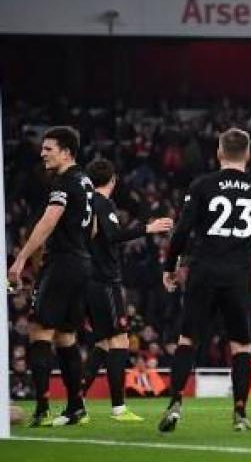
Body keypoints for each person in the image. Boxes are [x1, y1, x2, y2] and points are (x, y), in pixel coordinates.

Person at [157, 128, 251, 433]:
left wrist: (170, 265)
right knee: (241, 346)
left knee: (187, 340)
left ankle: (175, 403)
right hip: (238, 274)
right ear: (249, 154)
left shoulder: (202, 185)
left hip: (203, 270)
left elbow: (182, 230)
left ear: (219, 153)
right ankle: (240, 413)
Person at [7, 126, 95, 427]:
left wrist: (20, 259)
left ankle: (42, 408)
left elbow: (48, 221)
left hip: (61, 264)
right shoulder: (85, 181)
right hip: (82, 263)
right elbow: (92, 226)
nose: (43, 153)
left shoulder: (64, 182)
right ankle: (76, 407)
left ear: (66, 152)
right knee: (67, 337)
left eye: (49, 148)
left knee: (39, 333)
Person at [80, 157, 173, 421]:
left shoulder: (84, 205)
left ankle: (76, 402)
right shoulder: (103, 203)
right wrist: (148, 228)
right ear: (112, 181)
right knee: (119, 340)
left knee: (102, 342)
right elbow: (113, 235)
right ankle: (119, 408)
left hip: (89, 280)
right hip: (105, 281)